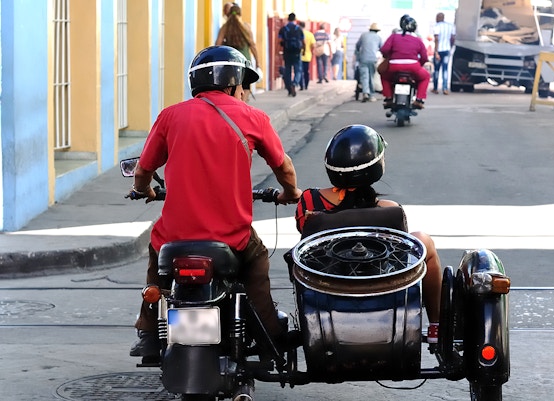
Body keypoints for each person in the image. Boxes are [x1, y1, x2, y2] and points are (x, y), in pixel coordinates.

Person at [127, 46, 302, 358]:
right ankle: (269, 334)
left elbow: (143, 170)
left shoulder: (170, 116)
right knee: (257, 263)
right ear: (232, 84)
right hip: (231, 236)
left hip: (176, 237)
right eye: (244, 86)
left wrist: (144, 190)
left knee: (157, 256)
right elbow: (284, 167)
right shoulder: (254, 118)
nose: (245, 92)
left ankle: (149, 330)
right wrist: (291, 193)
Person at [294, 124, 442, 344]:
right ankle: (436, 326)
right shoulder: (391, 210)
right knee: (423, 241)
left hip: (327, 290)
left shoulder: (309, 203)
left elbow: (305, 235)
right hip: (382, 291)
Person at [379, 15, 430, 109]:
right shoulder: (417, 40)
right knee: (425, 77)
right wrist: (419, 65)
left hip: (393, 66)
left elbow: (384, 50)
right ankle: (419, 100)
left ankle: (389, 98)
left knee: (384, 76)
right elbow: (424, 57)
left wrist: (389, 56)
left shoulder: (394, 37)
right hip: (413, 67)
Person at [216, 3, 260, 101]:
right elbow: (253, 46)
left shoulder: (225, 28)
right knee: (245, 87)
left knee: (231, 87)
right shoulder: (246, 27)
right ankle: (243, 105)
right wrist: (258, 62)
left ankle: (234, 107)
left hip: (230, 63)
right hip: (245, 63)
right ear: (240, 14)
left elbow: (217, 45)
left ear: (229, 14)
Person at [355, 22, 383, 102]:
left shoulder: (363, 35)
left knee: (364, 76)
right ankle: (371, 95)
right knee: (371, 77)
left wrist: (358, 53)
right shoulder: (378, 37)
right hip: (373, 59)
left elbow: (357, 45)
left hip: (363, 58)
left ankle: (365, 92)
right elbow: (382, 48)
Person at [278, 13, 305, 97]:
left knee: (287, 70)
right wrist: (304, 50)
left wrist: (278, 52)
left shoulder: (283, 29)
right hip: (297, 52)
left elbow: (279, 41)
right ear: (295, 19)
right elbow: (303, 41)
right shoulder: (299, 28)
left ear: (288, 19)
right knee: (298, 70)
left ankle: (289, 88)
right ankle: (294, 83)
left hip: (287, 52)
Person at [432, 12, 455, 95]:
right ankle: (445, 88)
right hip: (446, 50)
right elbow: (452, 38)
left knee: (437, 70)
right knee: (445, 69)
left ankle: (435, 88)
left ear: (438, 18)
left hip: (439, 51)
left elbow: (436, 39)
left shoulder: (437, 26)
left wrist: (436, 52)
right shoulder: (450, 26)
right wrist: (450, 46)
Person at [299, 21, 316, 90]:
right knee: (306, 71)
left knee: (300, 71)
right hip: (307, 55)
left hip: (299, 55)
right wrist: (311, 51)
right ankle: (306, 85)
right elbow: (313, 45)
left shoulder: (298, 33)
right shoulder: (310, 34)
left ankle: (301, 85)